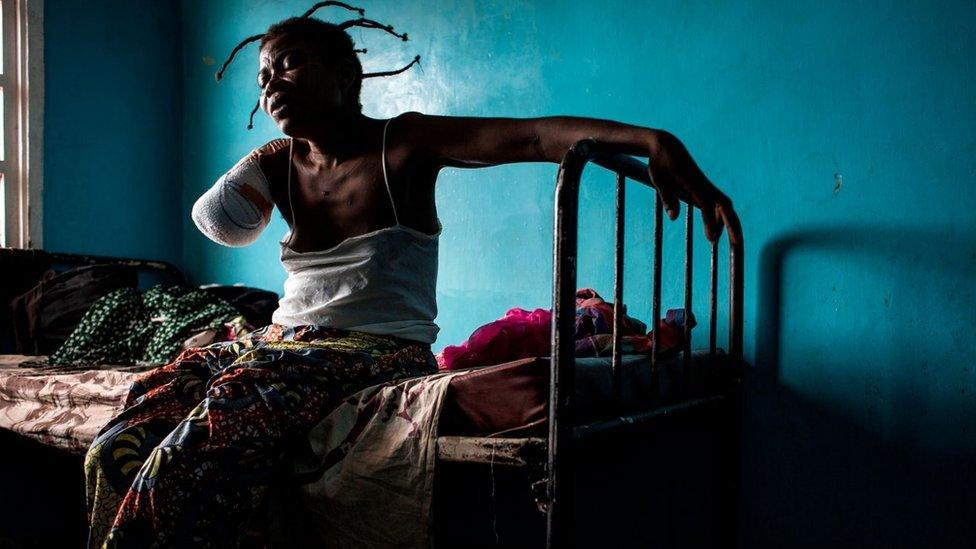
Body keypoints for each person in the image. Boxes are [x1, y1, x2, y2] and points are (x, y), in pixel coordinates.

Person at [84, 5, 740, 548]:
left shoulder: (404, 144)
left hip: (372, 351)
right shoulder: (280, 166)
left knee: (189, 457)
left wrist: (649, 140)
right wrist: (263, 153)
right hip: (280, 344)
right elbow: (219, 222)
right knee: (118, 440)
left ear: (345, 76)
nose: (271, 84)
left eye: (289, 63)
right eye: (262, 77)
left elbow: (534, 137)